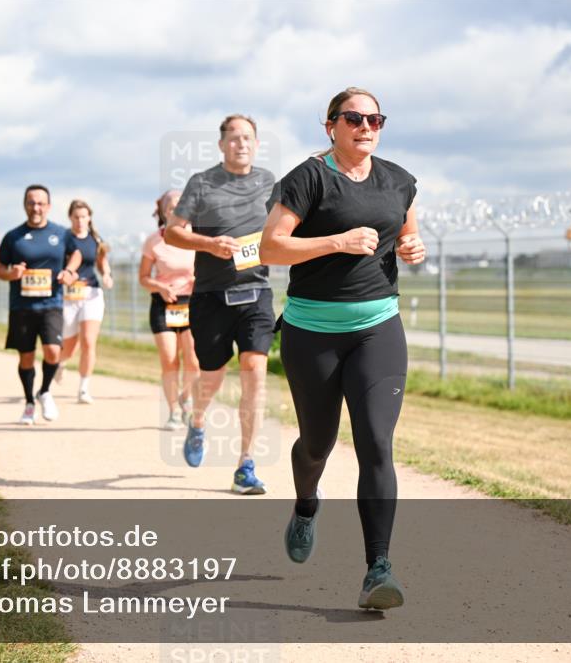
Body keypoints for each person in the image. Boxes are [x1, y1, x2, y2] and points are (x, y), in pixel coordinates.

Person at [260, 86, 426, 610]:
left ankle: (379, 568)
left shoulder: (399, 181)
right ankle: (307, 504)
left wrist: (413, 248)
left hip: (378, 325)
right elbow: (270, 246)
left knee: (377, 442)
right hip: (312, 332)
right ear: (330, 125)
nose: (366, 126)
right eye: (354, 117)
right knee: (317, 443)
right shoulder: (308, 177)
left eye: (375, 118)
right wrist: (335, 241)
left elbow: (406, 237)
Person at [164, 114, 276, 495]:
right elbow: (173, 232)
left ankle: (246, 463)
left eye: (247, 137)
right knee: (211, 377)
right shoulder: (203, 183)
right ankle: (197, 421)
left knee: (254, 370)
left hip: (256, 291)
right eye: (233, 138)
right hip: (211, 296)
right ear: (221, 144)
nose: (240, 144)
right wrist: (210, 245)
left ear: (257, 144)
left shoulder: (269, 183)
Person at [0, 184, 81, 425]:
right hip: (22, 307)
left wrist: (69, 271)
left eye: (41, 203)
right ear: (25, 205)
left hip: (51, 303)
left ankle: (44, 390)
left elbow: (76, 255)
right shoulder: (13, 237)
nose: (36, 208)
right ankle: (29, 403)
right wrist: (11, 273)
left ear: (49, 206)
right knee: (26, 358)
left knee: (54, 351)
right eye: (32, 203)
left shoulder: (62, 233)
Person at [139, 190, 200, 430]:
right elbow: (143, 278)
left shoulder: (197, 238)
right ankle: (174, 411)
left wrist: (200, 280)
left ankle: (186, 396)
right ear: (164, 213)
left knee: (194, 361)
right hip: (164, 304)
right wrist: (159, 286)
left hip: (191, 304)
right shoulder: (153, 241)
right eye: (172, 207)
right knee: (169, 360)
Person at [55, 200, 113, 404]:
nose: (80, 221)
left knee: (88, 341)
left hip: (92, 294)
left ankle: (83, 388)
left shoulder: (95, 240)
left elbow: (102, 262)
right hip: (69, 296)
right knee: (69, 345)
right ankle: (61, 363)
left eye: (84, 217)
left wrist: (106, 275)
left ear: (89, 218)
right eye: (76, 217)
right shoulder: (63, 239)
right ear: (70, 217)